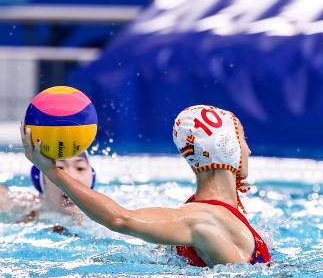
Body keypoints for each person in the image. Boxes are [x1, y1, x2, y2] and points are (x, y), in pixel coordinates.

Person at [21, 105, 271, 268]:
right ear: (229, 148)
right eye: (243, 139)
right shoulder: (203, 219)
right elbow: (121, 219)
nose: (248, 148)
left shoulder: (197, 212)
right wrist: (51, 171)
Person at [0, 153, 94, 230]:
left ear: (92, 178)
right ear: (41, 181)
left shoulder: (103, 219)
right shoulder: (24, 205)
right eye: (60, 168)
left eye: (80, 168)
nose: (72, 177)